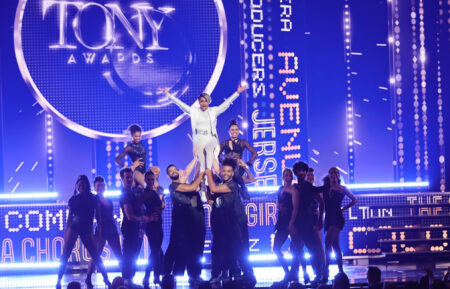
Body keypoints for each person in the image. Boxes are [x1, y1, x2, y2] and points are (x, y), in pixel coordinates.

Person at [159, 85, 248, 173]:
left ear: (209, 102)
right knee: (201, 162)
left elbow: (226, 104)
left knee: (210, 154)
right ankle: (203, 180)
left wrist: (237, 93)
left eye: (206, 101)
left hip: (211, 139)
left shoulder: (214, 111)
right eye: (202, 101)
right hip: (199, 140)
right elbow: (181, 104)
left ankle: (210, 174)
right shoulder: (194, 111)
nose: (204, 103)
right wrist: (168, 94)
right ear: (199, 102)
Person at [56, 175, 111, 289]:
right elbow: (69, 217)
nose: (80, 187)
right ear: (77, 186)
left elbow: (98, 216)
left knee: (96, 255)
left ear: (86, 185)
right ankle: (58, 280)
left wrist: (100, 230)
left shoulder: (93, 198)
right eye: (79, 185)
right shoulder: (74, 199)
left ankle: (106, 279)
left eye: (82, 185)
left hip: (86, 228)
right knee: (65, 255)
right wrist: (66, 232)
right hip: (74, 227)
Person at [163, 164, 206, 287]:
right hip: (180, 225)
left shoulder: (192, 186)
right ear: (169, 176)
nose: (174, 172)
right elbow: (194, 185)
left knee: (196, 250)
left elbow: (196, 176)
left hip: (196, 223)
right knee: (175, 248)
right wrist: (200, 176)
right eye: (170, 171)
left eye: (175, 170)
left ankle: (194, 275)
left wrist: (199, 160)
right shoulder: (174, 186)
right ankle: (168, 275)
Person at [205, 159, 242, 287]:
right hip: (217, 219)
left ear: (232, 173)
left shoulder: (232, 185)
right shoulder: (219, 183)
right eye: (224, 170)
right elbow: (210, 201)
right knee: (216, 249)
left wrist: (208, 173)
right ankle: (217, 274)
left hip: (229, 221)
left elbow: (214, 188)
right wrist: (207, 188)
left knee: (229, 248)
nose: (225, 173)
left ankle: (225, 273)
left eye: (228, 171)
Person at [119, 167, 155, 289]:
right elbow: (130, 216)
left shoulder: (131, 192)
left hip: (135, 228)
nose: (129, 179)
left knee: (133, 254)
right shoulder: (126, 194)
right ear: (122, 179)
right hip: (130, 228)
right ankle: (127, 280)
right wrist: (146, 219)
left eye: (131, 176)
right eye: (127, 177)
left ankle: (129, 280)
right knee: (129, 255)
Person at [291, 161, 325, 284]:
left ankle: (318, 274)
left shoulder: (308, 187)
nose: (300, 173)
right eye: (298, 170)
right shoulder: (294, 187)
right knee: (298, 250)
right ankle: (304, 275)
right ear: (295, 172)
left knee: (312, 249)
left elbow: (321, 202)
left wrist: (319, 220)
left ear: (305, 172)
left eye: (303, 171)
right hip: (296, 222)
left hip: (306, 222)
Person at [86, 176, 123, 289]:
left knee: (118, 254)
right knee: (96, 255)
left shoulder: (108, 199)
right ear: (94, 187)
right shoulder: (93, 199)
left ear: (105, 186)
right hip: (100, 230)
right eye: (98, 185)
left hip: (111, 228)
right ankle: (88, 278)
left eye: (102, 185)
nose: (101, 187)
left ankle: (125, 277)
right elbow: (94, 216)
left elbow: (109, 210)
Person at [272, 168, 307, 283]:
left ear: (292, 178)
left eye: (290, 176)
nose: (288, 177)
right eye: (286, 175)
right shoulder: (280, 189)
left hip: (292, 222)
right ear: (283, 177)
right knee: (276, 248)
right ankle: (287, 273)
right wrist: (279, 207)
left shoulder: (294, 190)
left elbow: (296, 208)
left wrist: (291, 223)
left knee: (298, 248)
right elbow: (279, 204)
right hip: (281, 222)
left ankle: (305, 273)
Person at [323, 168, 357, 277]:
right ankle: (340, 271)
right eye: (331, 173)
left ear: (338, 175)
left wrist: (343, 209)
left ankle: (326, 271)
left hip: (337, 217)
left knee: (328, 242)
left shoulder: (342, 189)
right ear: (329, 175)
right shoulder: (326, 188)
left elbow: (354, 200)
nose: (333, 175)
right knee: (335, 245)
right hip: (328, 217)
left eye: (335, 173)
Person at [142, 170, 165, 288]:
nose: (151, 181)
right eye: (149, 179)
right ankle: (151, 276)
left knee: (156, 251)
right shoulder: (145, 193)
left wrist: (161, 203)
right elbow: (142, 207)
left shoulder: (155, 192)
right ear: (145, 180)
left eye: (152, 179)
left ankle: (152, 276)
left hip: (158, 224)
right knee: (156, 252)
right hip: (151, 225)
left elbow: (161, 207)